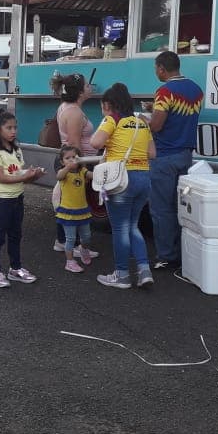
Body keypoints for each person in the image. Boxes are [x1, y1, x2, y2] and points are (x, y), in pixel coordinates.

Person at [90, 82, 156, 289]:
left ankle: (122, 275)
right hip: (143, 178)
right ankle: (144, 271)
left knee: (120, 228)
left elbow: (95, 143)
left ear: (109, 105)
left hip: (121, 180)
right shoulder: (141, 122)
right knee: (132, 226)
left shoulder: (112, 119)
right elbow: (152, 153)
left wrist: (112, 140)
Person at [147, 51, 204, 271]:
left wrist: (146, 119)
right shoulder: (196, 90)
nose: (156, 72)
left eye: (156, 68)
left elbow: (158, 125)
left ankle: (166, 255)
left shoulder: (164, 91)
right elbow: (180, 117)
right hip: (186, 155)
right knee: (183, 207)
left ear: (162, 68)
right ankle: (186, 253)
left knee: (162, 209)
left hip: (164, 156)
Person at [0, 110, 42, 287]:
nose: (13, 131)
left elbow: (19, 174)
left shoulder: (16, 149)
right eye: (8, 128)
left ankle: (15, 268)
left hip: (17, 198)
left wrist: (34, 175)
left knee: (16, 234)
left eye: (15, 127)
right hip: (2, 200)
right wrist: (25, 177)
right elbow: (2, 177)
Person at [49, 72, 101, 261]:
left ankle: (64, 240)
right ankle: (72, 243)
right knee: (72, 201)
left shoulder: (67, 107)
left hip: (72, 161)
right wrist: (79, 167)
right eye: (87, 85)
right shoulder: (74, 112)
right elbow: (74, 143)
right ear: (80, 92)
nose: (90, 88)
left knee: (67, 199)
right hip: (74, 163)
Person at [55, 145, 94, 273]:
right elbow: (59, 176)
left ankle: (83, 250)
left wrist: (102, 165)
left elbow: (92, 176)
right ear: (62, 162)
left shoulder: (82, 171)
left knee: (87, 236)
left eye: (74, 157)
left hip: (82, 211)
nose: (72, 160)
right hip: (68, 212)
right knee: (70, 239)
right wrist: (67, 168)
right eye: (68, 158)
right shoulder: (64, 173)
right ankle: (70, 262)